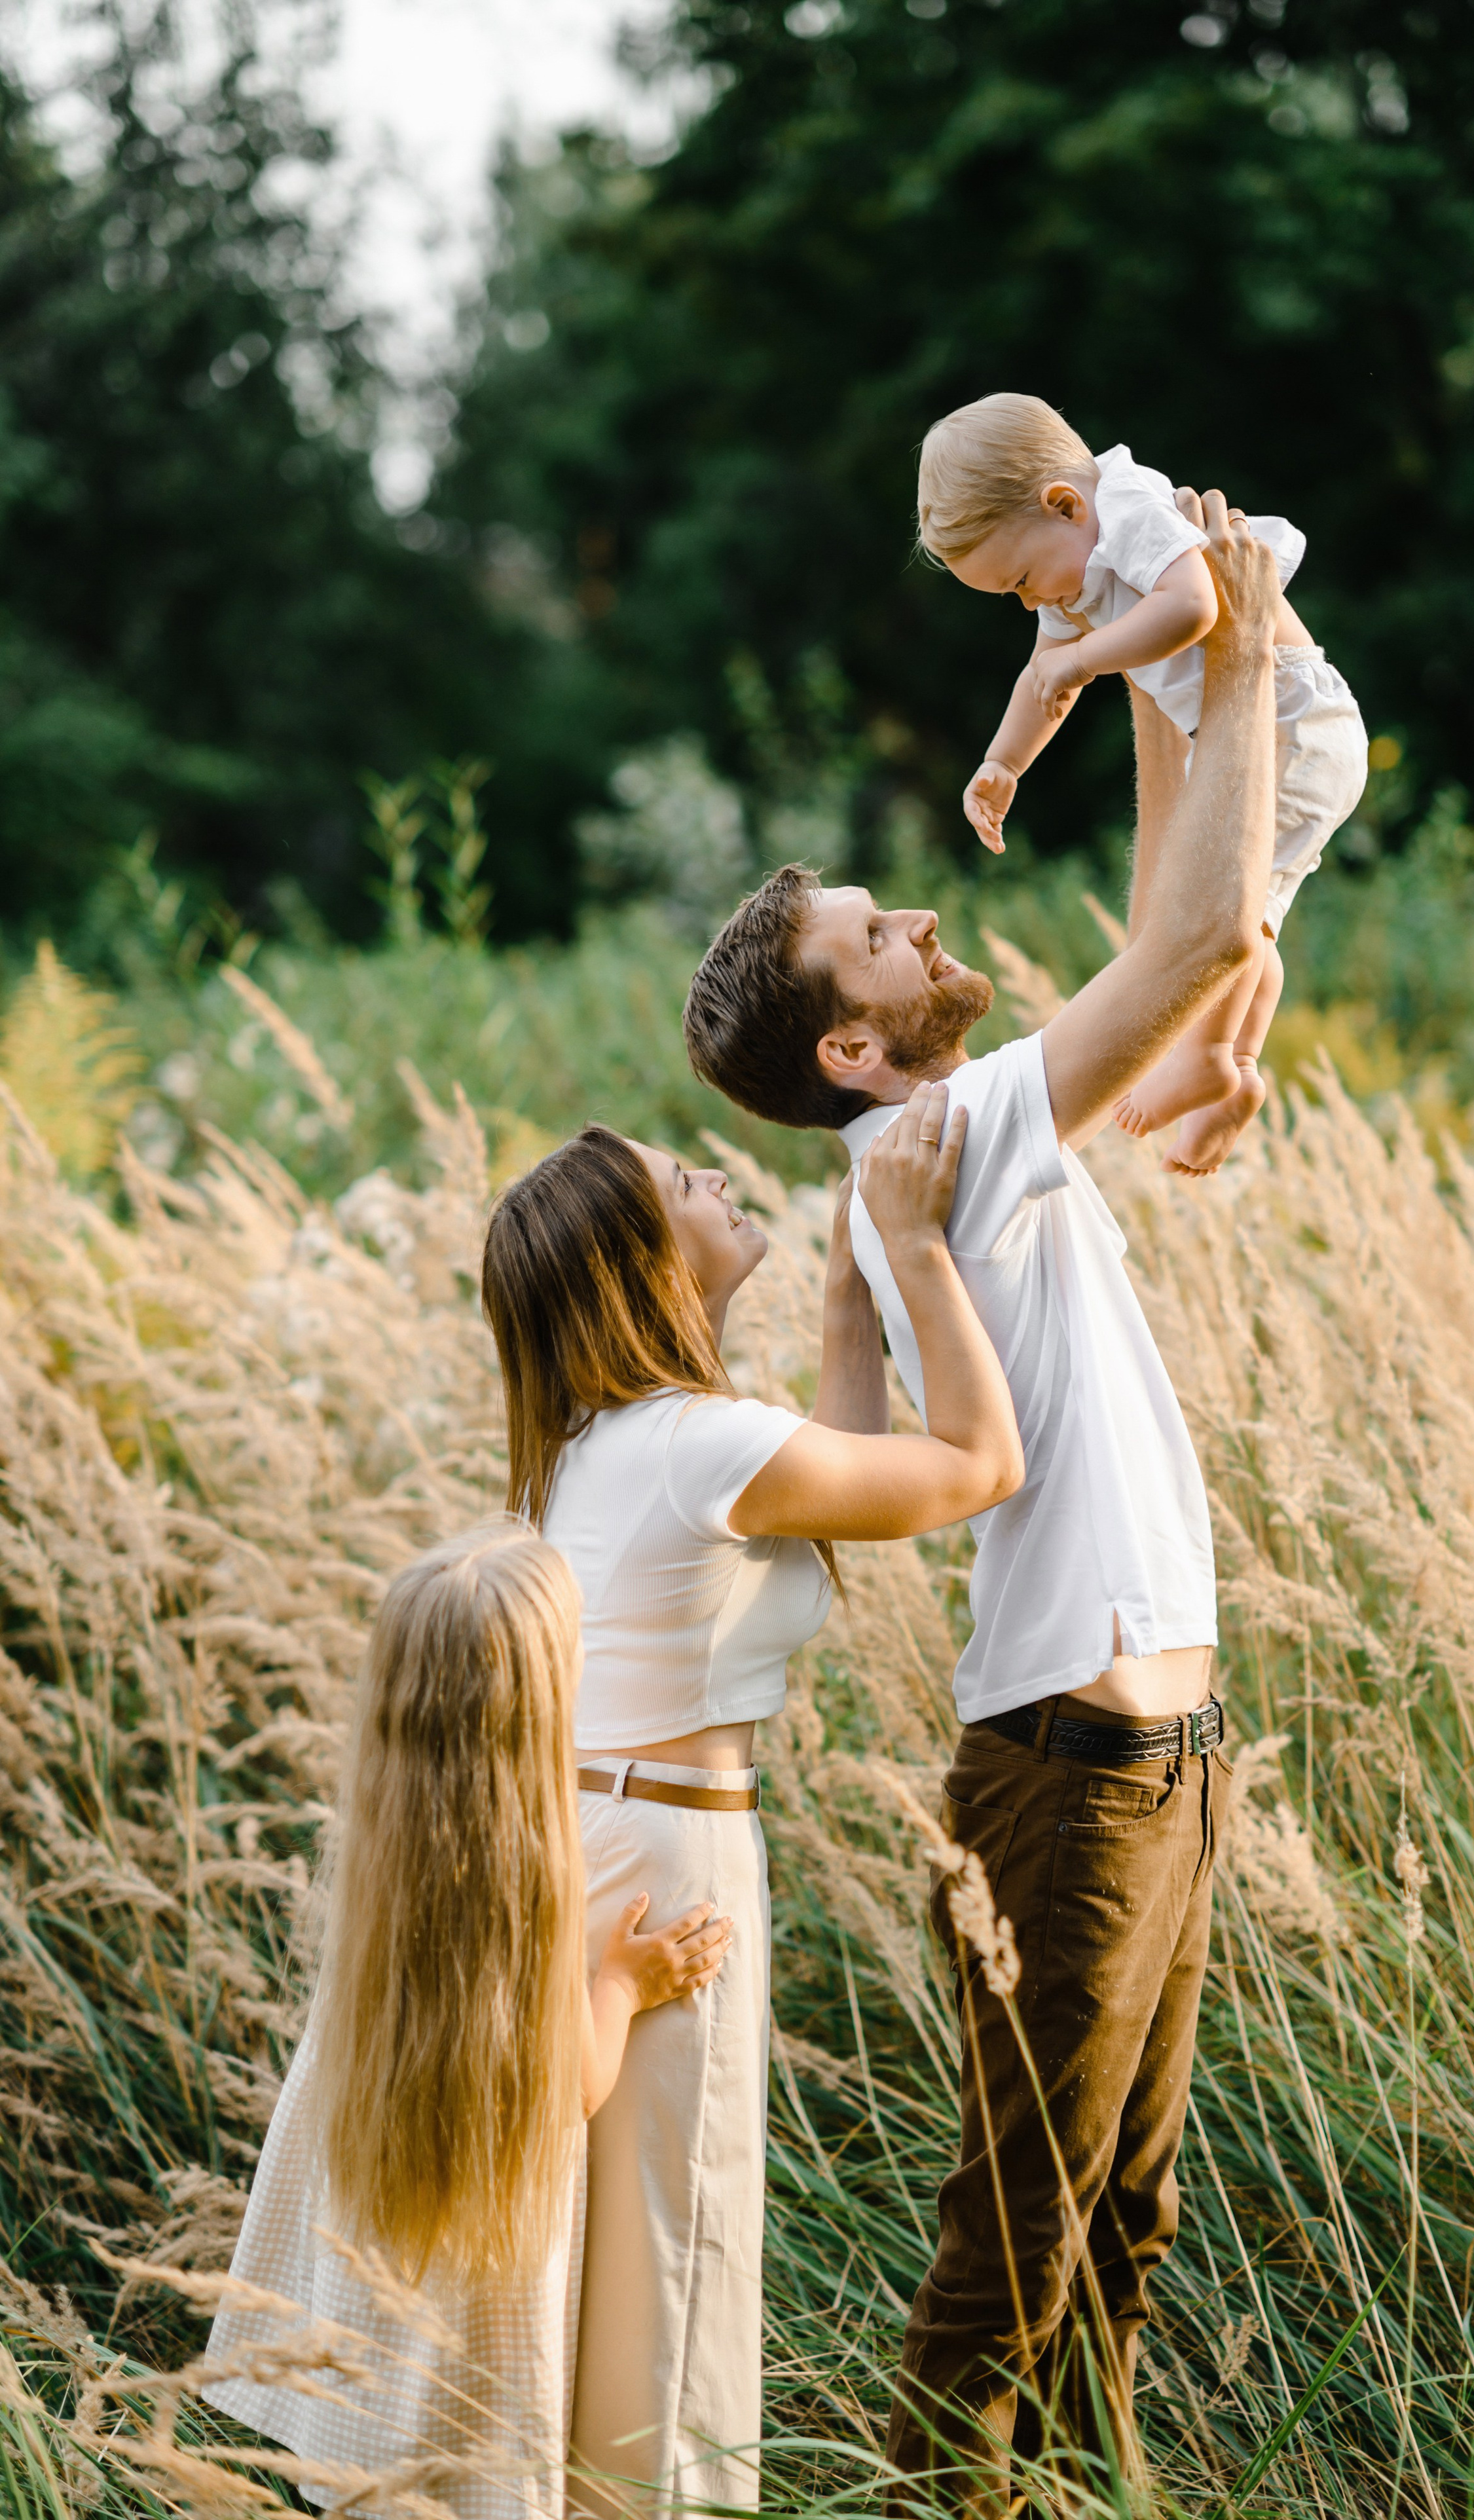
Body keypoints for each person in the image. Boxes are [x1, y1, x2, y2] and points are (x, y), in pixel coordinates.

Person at [682, 494, 1280, 2508]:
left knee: (1118, 2220)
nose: (925, 924)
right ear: (854, 1042)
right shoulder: (938, 1139)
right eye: (882, 935)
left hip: (1153, 1749)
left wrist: (1159, 685)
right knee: (1020, 2237)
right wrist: (1234, 659)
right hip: (1077, 1769)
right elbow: (1194, 944)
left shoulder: (935, 1156)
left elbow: (1169, 961)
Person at [479, 1086, 1023, 2516]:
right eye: (684, 1180)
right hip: (667, 1857)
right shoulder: (694, 1444)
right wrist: (916, 1249)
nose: (719, 1176)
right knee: (673, 2252)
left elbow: (841, 1488)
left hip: (604, 1839)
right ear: (643, 1263)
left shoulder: (608, 1441)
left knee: (603, 2254)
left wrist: (847, 1293)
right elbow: (978, 1465)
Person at [202, 1523, 729, 2520]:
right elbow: (572, 2087)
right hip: (480, 2246)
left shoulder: (383, 1847)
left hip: (377, 2211)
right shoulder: (532, 1875)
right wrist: (623, 1985)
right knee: (464, 2466)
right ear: (540, 1706)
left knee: (375, 2462)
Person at [917, 391, 1367, 1176]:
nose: (1031, 601)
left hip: (1294, 725)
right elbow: (1044, 677)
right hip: (1243, 731)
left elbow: (1193, 607)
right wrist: (1003, 763)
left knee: (1222, 903)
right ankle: (1234, 1068)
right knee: (1243, 911)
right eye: (1013, 595)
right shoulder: (1071, 564)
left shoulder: (1129, 509)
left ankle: (1212, 1057)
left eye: (1021, 579)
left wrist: (1085, 657)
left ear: (1064, 504)